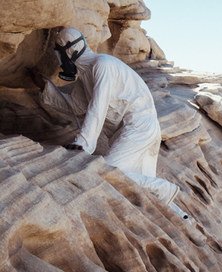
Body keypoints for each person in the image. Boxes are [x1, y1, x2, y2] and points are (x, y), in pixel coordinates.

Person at [30, 27, 188, 219]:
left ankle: (164, 188)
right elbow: (76, 107)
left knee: (109, 172)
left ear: (68, 51)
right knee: (140, 188)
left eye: (60, 54)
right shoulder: (86, 76)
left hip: (138, 127)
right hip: (131, 132)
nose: (60, 61)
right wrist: (45, 86)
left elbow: (98, 107)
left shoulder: (102, 64)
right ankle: (181, 218)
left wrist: (83, 143)